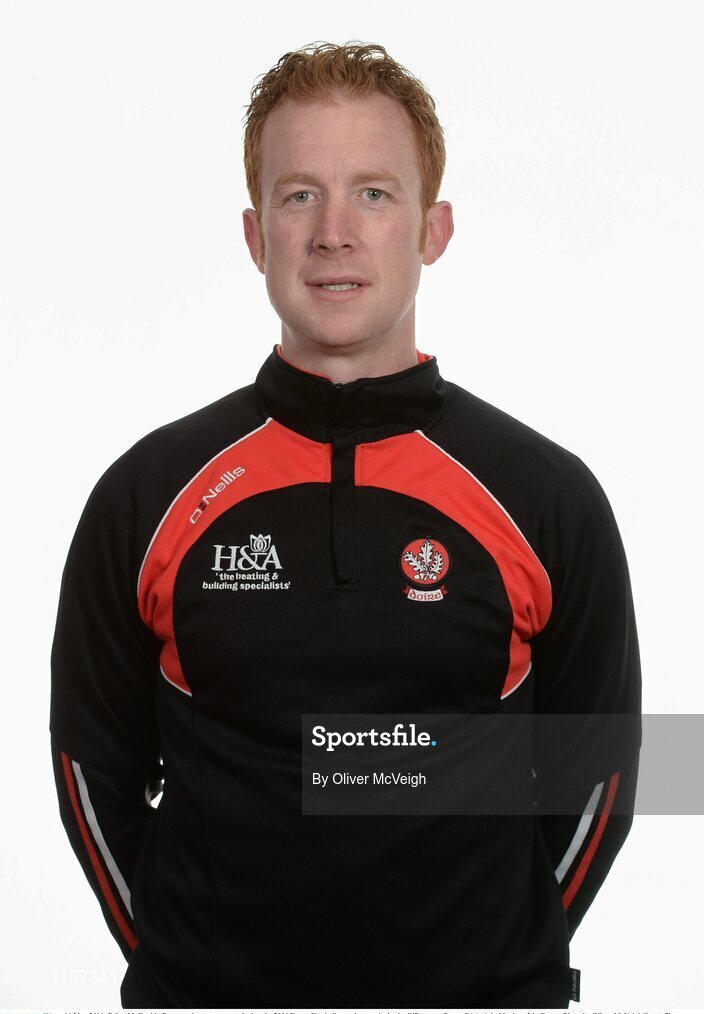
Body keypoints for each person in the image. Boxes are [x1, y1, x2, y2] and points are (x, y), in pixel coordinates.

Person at [50, 40, 642, 1008]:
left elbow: (602, 775)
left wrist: (505, 956)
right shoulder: (146, 496)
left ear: (432, 228)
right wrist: (177, 959)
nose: (333, 233)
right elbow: (89, 767)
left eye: (372, 193)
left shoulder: (547, 498)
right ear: (256, 236)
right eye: (299, 196)